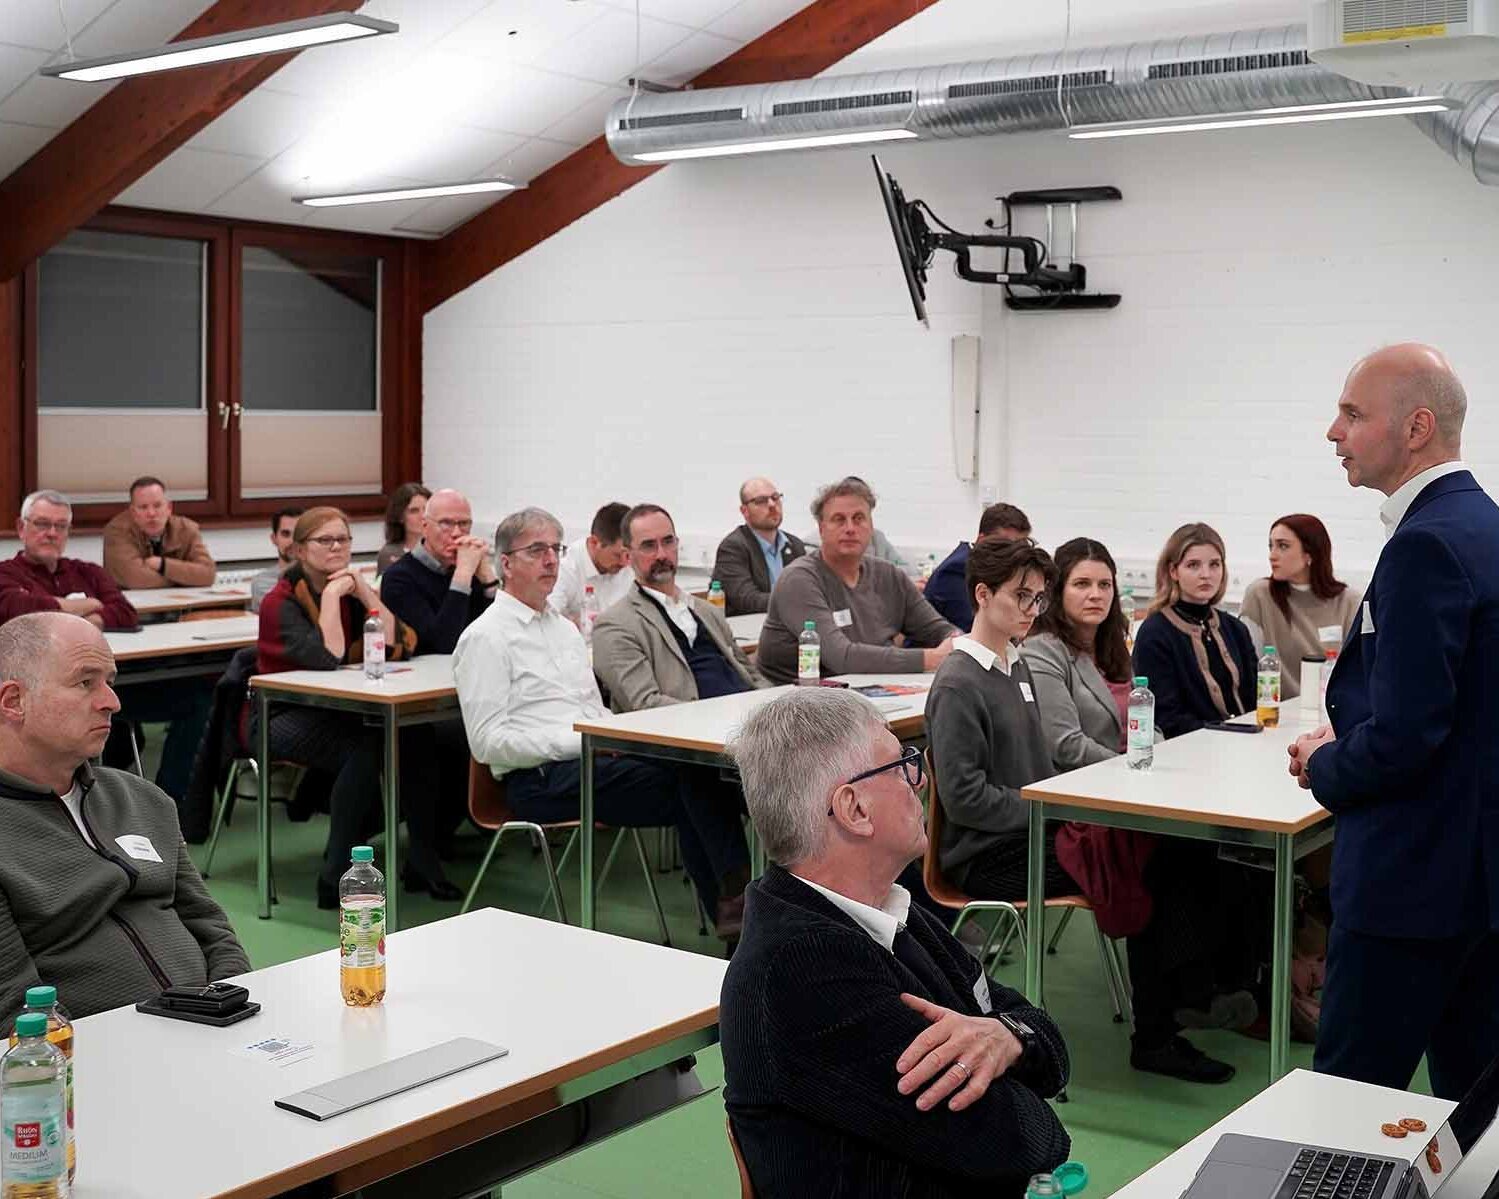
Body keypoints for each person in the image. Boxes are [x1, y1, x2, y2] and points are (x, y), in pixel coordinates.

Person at [721, 686, 1071, 1196]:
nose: (921, 780)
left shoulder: (890, 910)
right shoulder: (803, 970)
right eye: (902, 766)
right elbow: (1025, 1143)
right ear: (854, 808)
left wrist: (1009, 1036)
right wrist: (1017, 1043)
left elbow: (1042, 1039)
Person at [1288, 344, 1499, 1101]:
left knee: (1348, 1105)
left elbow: (1408, 738)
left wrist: (1323, 763)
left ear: (1415, 428)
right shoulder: (1483, 526)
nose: (1333, 432)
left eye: (1352, 414)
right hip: (1475, 881)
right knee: (1470, 1111)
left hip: (1411, 886)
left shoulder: (1425, 544)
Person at [454, 507, 755, 938]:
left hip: (595, 759)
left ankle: (738, 914)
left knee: (698, 771)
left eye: (555, 549)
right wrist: (583, 741)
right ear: (506, 564)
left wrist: (613, 736)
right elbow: (487, 743)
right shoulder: (486, 637)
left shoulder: (564, 629)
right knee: (693, 781)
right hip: (538, 779)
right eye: (536, 551)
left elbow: (594, 712)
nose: (551, 560)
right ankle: (741, 916)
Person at [1020, 537, 1256, 1081]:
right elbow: (1065, 745)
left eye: (1104, 584)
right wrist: (1138, 766)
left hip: (1124, 794)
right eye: (1082, 583)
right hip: (1072, 811)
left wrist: (1159, 757)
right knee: (1162, 862)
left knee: (1213, 849)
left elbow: (1147, 725)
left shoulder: (1111, 648)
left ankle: (1200, 992)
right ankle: (1155, 1034)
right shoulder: (1044, 651)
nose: (1096, 594)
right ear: (1057, 592)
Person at [0, 612, 249, 1028]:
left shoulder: (143, 800)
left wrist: (232, 1003)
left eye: (110, 682)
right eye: (85, 682)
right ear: (13, 701)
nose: (112, 702)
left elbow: (211, 928)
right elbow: (16, 1011)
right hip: (98, 1053)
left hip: (214, 1027)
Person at [258, 507, 459, 908]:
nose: (336, 547)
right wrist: (333, 597)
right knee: (366, 748)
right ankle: (335, 874)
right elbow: (327, 656)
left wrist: (366, 593)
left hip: (342, 708)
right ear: (300, 549)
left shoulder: (352, 592)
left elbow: (402, 642)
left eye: (343, 540)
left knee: (417, 734)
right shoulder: (279, 601)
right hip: (283, 713)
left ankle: (422, 860)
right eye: (325, 540)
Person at [758, 477, 957, 684]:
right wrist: (931, 658)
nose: (850, 528)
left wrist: (954, 642)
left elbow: (939, 629)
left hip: (874, 688)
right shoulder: (799, 580)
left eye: (859, 518)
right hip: (795, 696)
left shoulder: (889, 575)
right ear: (821, 529)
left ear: (871, 527)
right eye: (839, 520)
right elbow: (841, 658)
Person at [594, 504, 769, 708]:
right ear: (627, 556)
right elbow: (645, 703)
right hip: (696, 722)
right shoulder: (615, 625)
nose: (661, 554)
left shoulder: (707, 612)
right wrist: (715, 715)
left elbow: (751, 676)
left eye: (668, 542)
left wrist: (777, 707)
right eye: (649, 546)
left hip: (751, 715)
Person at [1131, 523, 1257, 739]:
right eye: (1193, 565)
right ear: (1173, 571)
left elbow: (1256, 699)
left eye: (1214, 564)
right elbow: (1167, 718)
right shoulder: (1155, 634)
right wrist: (1227, 735)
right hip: (1191, 746)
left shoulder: (1235, 629)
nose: (1206, 575)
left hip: (1246, 739)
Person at [1239, 514, 1361, 698]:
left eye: (1283, 546)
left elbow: (1357, 670)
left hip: (1329, 709)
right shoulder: (1259, 594)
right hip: (1274, 708)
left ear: (1309, 554)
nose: (1272, 555)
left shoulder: (1349, 601)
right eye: (1271, 546)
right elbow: (1246, 665)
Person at [379, 489, 498, 654]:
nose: (456, 533)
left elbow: (499, 634)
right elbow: (441, 643)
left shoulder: (471, 569)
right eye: (446, 523)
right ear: (425, 527)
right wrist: (462, 575)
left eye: (464, 524)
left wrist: (489, 581)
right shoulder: (398, 577)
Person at [0, 490, 138, 630]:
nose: (52, 533)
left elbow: (126, 612)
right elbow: (16, 611)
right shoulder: (5, 573)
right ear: (21, 528)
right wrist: (88, 604)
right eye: (42, 524)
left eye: (61, 526)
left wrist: (85, 624)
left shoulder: (88, 572)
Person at [925, 502, 1032, 633]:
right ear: (982, 541)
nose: (1016, 554)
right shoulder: (955, 571)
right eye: (1006, 545)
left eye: (1022, 545)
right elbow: (975, 629)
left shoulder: (988, 567)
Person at [711, 478, 808, 616]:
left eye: (775, 497)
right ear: (745, 511)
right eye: (761, 501)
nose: (772, 504)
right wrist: (796, 601)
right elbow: (748, 601)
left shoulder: (795, 545)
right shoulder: (732, 548)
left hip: (789, 624)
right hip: (747, 627)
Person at [102, 476, 216, 589]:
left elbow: (208, 575)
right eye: (143, 507)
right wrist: (187, 578)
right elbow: (135, 579)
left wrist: (163, 565)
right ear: (133, 512)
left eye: (157, 506)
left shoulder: (186, 529)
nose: (151, 513)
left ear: (169, 508)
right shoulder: (117, 530)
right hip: (130, 600)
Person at [548, 501, 634, 624]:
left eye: (628, 555)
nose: (625, 563)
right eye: (617, 555)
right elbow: (548, 617)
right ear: (594, 542)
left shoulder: (632, 564)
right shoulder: (565, 568)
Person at [249, 506, 303, 614]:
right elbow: (288, 615)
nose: (292, 541)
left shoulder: (320, 577)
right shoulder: (262, 582)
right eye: (286, 534)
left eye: (298, 534)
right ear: (274, 539)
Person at [376, 482, 430, 576]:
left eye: (426, 510)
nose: (423, 516)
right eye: (414, 511)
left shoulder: (441, 549)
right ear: (400, 516)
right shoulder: (389, 554)